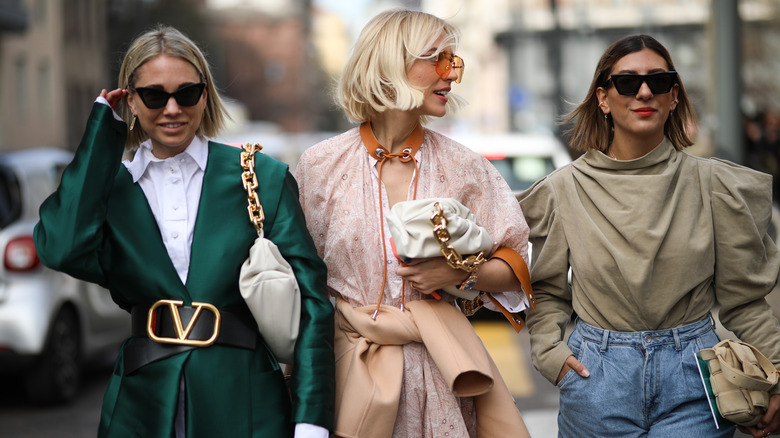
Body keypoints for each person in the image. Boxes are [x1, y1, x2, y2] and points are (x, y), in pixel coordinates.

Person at [33, 25, 334, 438]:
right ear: (132, 102)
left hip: (246, 401)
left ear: (205, 95)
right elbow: (59, 248)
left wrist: (311, 419)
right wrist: (101, 133)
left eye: (186, 93)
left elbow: (314, 302)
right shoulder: (108, 190)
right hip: (141, 406)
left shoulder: (259, 175)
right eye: (155, 96)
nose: (172, 108)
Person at [518, 34, 780, 438]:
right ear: (603, 98)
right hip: (595, 380)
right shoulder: (563, 190)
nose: (644, 91)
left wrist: (777, 371)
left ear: (673, 96)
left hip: (695, 379)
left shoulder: (713, 185)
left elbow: (744, 300)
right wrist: (551, 355)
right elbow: (547, 291)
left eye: (659, 81)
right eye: (627, 82)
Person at [295, 9, 531, 438]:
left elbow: (516, 264)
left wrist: (463, 272)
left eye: (453, 62)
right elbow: (301, 286)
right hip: (350, 369)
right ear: (391, 63)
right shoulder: (319, 166)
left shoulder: (466, 168)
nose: (452, 74)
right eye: (437, 59)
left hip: (444, 376)